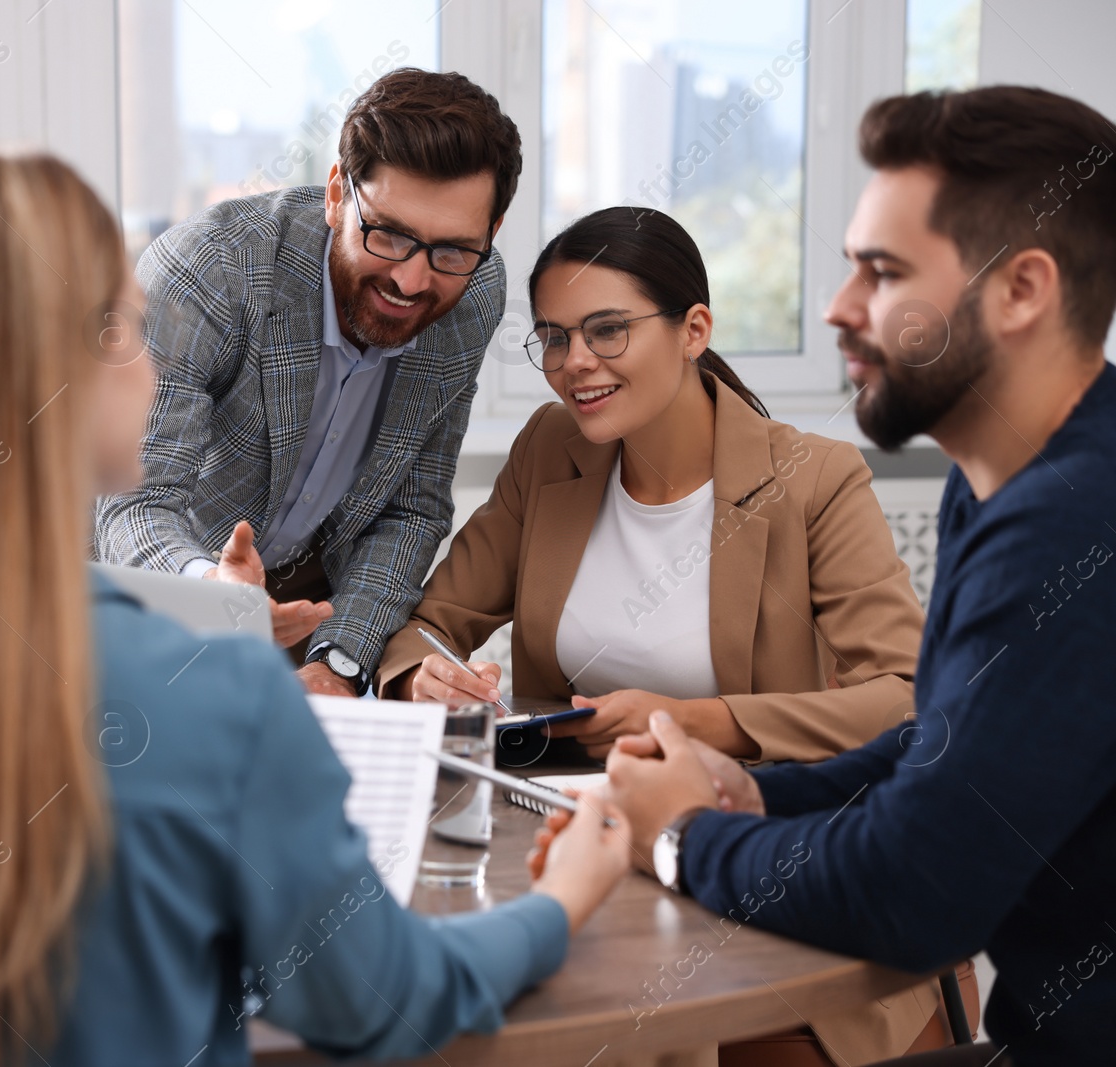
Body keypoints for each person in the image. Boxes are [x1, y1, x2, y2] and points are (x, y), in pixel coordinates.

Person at [0, 150, 630, 1067]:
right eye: (130, 328)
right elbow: (385, 1002)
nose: (156, 369)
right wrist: (560, 900)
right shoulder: (215, 694)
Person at [579, 86, 1116, 1067]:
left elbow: (913, 893)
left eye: (880, 271)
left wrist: (683, 837)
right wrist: (755, 790)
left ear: (1021, 289)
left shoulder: (1072, 519)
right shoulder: (1000, 478)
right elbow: (948, 744)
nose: (837, 307)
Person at [378, 207, 948, 1062]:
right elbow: (432, 624)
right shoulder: (550, 451)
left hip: (759, 859)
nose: (576, 365)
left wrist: (698, 722)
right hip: (585, 851)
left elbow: (909, 698)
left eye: (607, 331)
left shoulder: (814, 480)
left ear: (694, 330)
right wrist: (425, 675)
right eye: (555, 339)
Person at [93, 67, 522, 698]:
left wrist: (340, 666)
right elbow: (136, 502)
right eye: (389, 235)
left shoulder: (476, 293)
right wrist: (214, 599)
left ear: (491, 232)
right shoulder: (211, 268)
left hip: (309, 606)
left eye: (452, 251)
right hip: (144, 601)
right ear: (335, 195)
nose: (412, 282)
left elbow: (411, 508)